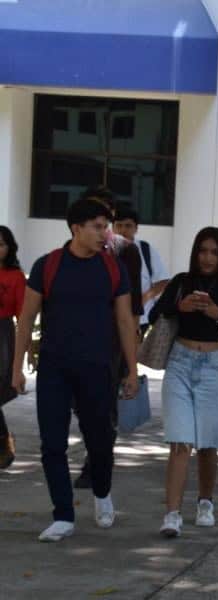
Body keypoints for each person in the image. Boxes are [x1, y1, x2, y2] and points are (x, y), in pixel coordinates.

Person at [11, 198, 138, 542]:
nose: (105, 233)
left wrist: (132, 369)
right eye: (97, 226)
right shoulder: (47, 266)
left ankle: (102, 492)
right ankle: (63, 515)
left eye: (106, 226)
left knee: (100, 441)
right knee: (52, 444)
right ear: (76, 229)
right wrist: (17, 368)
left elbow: (126, 321)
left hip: (98, 369)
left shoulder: (113, 269)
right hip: (54, 369)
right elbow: (25, 319)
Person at [151, 227, 218, 538]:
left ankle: (205, 502)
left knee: (207, 444)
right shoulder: (182, 282)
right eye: (203, 251)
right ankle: (172, 513)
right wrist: (181, 306)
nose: (207, 258)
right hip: (180, 362)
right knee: (180, 441)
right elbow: (155, 313)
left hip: (214, 368)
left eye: (214, 252)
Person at [73, 189, 144, 490]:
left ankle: (98, 462)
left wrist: (132, 357)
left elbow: (134, 305)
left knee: (104, 405)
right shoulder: (71, 249)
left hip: (112, 340)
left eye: (104, 216)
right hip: (76, 338)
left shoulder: (125, 251)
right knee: (80, 402)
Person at [112, 204, 171, 335]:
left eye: (128, 226)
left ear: (136, 228)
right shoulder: (106, 251)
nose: (123, 230)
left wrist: (144, 298)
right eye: (119, 225)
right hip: (112, 317)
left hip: (141, 318)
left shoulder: (146, 249)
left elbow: (163, 280)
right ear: (113, 227)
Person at [0, 226, 25, 469]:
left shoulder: (15, 276)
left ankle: (4, 444)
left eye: (1, 244)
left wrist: (21, 358)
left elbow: (22, 317)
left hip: (3, 333)